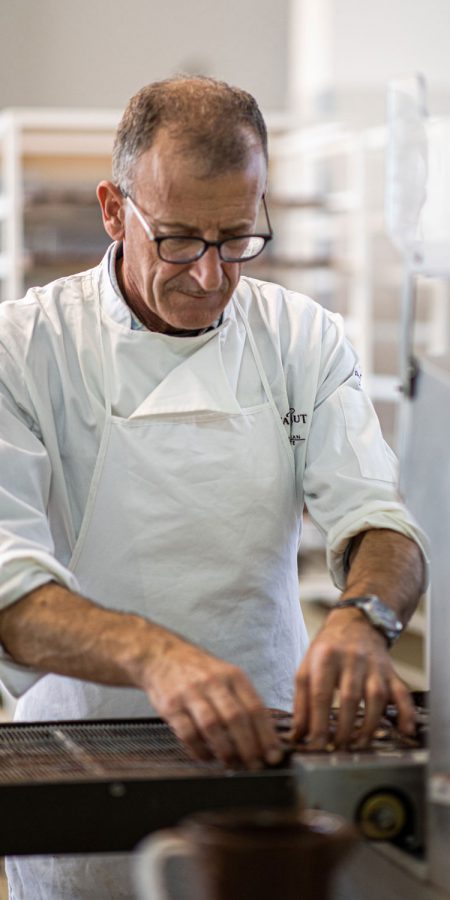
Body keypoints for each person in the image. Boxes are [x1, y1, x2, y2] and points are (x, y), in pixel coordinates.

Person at [0, 76, 427, 899]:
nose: (209, 277)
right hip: (84, 768)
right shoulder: (26, 350)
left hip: (271, 757)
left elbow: (379, 521)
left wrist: (364, 618)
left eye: (236, 239)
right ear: (114, 210)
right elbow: (8, 583)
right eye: (179, 242)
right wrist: (156, 657)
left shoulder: (301, 337)